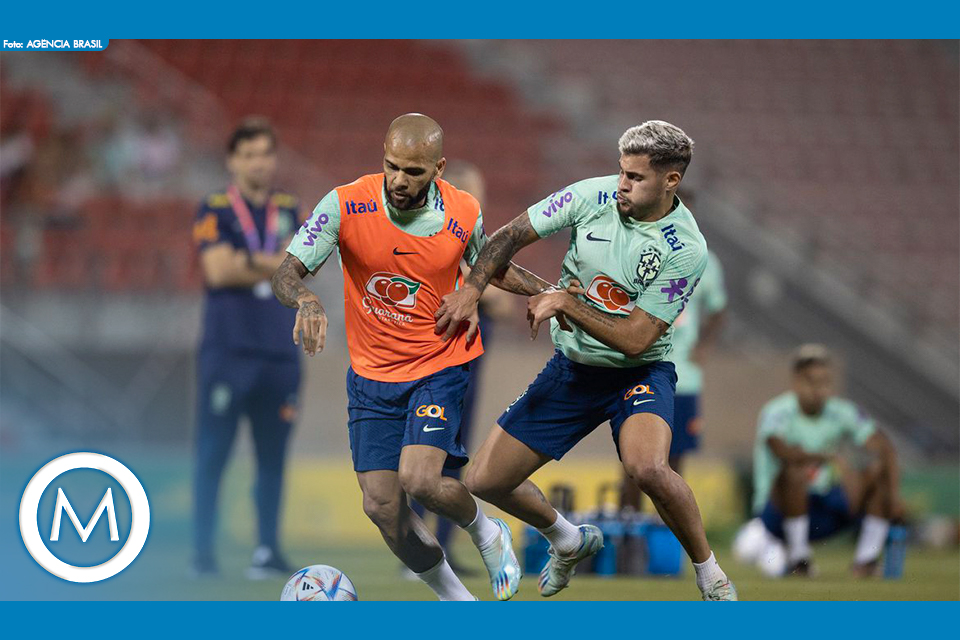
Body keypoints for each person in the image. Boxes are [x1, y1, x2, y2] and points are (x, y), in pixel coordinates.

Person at [435, 120, 738, 600]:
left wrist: (565, 302)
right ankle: (567, 539)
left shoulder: (687, 248)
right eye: (621, 171)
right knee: (484, 480)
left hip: (638, 374)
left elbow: (637, 339)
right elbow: (508, 237)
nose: (621, 184)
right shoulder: (588, 196)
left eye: (636, 177)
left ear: (671, 180)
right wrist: (472, 291)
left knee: (649, 470)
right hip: (572, 370)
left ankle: (710, 573)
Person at [270, 114, 558, 601]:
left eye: (414, 171)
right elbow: (285, 273)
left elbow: (491, 265)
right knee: (382, 507)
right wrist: (306, 299)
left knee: (420, 479)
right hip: (371, 375)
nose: (400, 180)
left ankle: (489, 534)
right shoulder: (345, 203)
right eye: (392, 166)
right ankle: (456, 601)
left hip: (439, 363)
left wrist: (551, 294)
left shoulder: (463, 210)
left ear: (438, 169)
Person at [191, 117, 302, 578]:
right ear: (232, 160)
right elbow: (217, 272)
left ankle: (267, 550)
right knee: (213, 452)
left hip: (279, 354)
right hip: (227, 352)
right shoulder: (213, 208)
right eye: (249, 153)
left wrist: (248, 260)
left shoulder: (291, 209)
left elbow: (299, 270)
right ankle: (202, 552)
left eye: (265, 153)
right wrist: (273, 260)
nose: (259, 162)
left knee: (273, 458)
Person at [406, 161, 515, 576]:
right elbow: (444, 292)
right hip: (434, 362)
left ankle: (448, 547)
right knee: (423, 454)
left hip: (470, 367)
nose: (478, 202)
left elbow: (501, 303)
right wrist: (475, 290)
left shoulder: (480, 249)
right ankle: (416, 548)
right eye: (471, 193)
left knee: (456, 454)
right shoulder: (436, 238)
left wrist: (473, 289)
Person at [752, 344, 904, 577]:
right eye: (811, 381)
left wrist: (893, 496)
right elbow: (779, 449)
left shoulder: (842, 411)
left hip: (825, 507)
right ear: (796, 382)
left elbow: (884, 446)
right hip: (777, 515)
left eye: (825, 382)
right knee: (795, 471)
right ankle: (799, 559)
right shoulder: (778, 411)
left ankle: (866, 561)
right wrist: (828, 458)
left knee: (876, 469)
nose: (819, 389)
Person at [620, 244, 727, 509]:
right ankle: (630, 537)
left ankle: (668, 539)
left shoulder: (705, 259)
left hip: (684, 376)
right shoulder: (640, 249)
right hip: (640, 371)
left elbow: (719, 307)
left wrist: (705, 345)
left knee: (675, 462)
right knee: (632, 462)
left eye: (686, 202)